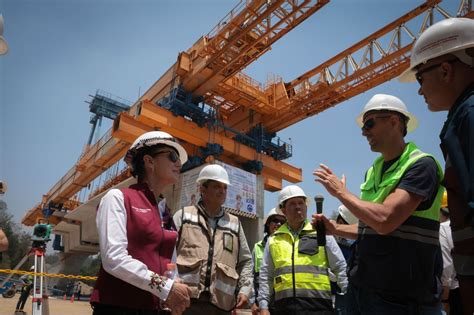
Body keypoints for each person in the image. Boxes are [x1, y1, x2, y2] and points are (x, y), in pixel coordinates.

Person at [313, 94, 444, 314]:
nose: (364, 132)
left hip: (401, 297)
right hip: (364, 290)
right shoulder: (373, 171)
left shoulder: (422, 165)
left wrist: (341, 193)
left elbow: (385, 220)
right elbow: (370, 228)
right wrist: (336, 229)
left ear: (394, 121)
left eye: (369, 123)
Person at [399, 17, 474, 314]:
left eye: (420, 78)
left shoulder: (469, 116)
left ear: (445, 70)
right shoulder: (462, 118)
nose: (419, 91)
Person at [90, 131, 192, 315]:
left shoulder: (166, 213)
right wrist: (166, 287)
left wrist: (175, 284)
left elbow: (171, 263)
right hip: (118, 308)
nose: (179, 163)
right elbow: (114, 258)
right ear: (149, 161)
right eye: (173, 156)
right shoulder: (118, 198)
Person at [173, 164, 253, 315]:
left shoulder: (234, 223)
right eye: (217, 186)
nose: (222, 191)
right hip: (185, 302)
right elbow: (167, 255)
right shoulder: (182, 216)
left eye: (224, 187)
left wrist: (245, 289)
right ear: (202, 189)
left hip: (221, 305)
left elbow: (245, 261)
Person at [258, 185, 348, 315]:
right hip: (284, 309)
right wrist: (263, 306)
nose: (298, 207)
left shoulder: (321, 233)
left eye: (301, 202)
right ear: (283, 210)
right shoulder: (274, 240)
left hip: (319, 309)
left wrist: (350, 297)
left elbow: (340, 267)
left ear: (306, 206)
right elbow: (266, 275)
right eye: (293, 203)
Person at [250, 207, 286, 315]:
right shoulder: (257, 247)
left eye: (282, 222)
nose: (278, 224)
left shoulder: (290, 246)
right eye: (275, 220)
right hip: (262, 305)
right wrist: (252, 302)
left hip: (283, 304)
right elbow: (251, 276)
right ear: (268, 224)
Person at [439, 191, 462, 315]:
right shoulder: (464, 225)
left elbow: (446, 266)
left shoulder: (443, 228)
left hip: (453, 292)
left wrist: (445, 299)